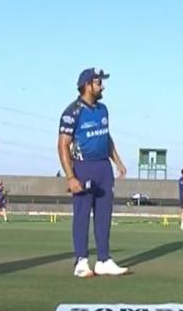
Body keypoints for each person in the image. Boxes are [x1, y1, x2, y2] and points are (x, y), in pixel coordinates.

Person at [58, 67, 129, 278]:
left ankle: (104, 260)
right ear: (87, 85)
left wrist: (117, 161)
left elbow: (106, 138)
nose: (102, 86)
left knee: (104, 216)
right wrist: (71, 177)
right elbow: (62, 145)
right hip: (83, 167)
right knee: (81, 216)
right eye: (98, 83)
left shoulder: (103, 109)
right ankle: (81, 262)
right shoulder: (72, 112)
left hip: (103, 168)